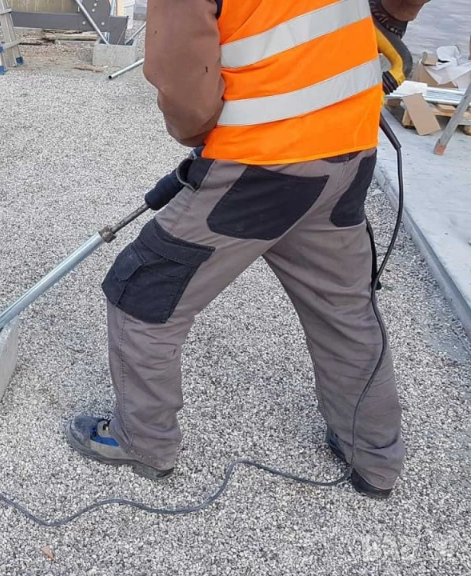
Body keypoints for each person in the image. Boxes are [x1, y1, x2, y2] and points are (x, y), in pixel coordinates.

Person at [65, 0, 429, 499]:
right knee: (344, 309)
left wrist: (204, 137)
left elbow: (187, 95)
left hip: (267, 162)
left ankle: (143, 441)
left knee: (143, 293)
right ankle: (374, 457)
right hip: (350, 143)